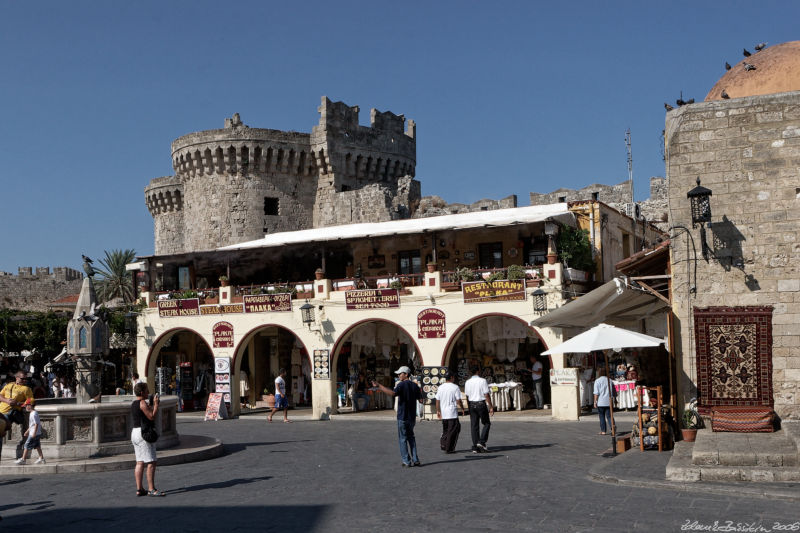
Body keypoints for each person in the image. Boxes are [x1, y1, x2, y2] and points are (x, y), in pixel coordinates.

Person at [372, 366, 423, 467]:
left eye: (400, 373)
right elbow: (421, 400)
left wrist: (379, 386)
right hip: (411, 417)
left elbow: (392, 393)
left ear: (406, 374)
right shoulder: (415, 386)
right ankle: (415, 459)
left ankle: (406, 461)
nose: (399, 375)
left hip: (403, 416)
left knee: (403, 439)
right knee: (411, 438)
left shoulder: (401, 385)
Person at [131, 381, 165, 496]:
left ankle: (139, 489)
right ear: (142, 392)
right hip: (143, 433)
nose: (148, 392)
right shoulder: (142, 403)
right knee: (151, 461)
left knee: (139, 461)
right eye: (146, 390)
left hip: (135, 432)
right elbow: (151, 417)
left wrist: (150, 404)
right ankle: (151, 489)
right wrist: (156, 405)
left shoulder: (134, 403)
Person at [465, 365, 494, 453]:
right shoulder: (482, 380)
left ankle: (475, 446)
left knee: (474, 425)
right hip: (481, 404)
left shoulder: (468, 382)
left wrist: (468, 406)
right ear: (478, 371)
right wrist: (491, 406)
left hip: (472, 404)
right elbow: (486, 394)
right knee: (486, 423)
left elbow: (467, 395)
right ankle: (481, 441)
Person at [435, 370, 464, 453]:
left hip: (444, 413)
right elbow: (458, 400)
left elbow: (437, 400)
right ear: (451, 377)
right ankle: (448, 448)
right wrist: (462, 408)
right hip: (452, 413)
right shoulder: (455, 387)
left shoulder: (441, 387)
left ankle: (444, 444)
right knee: (454, 430)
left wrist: (438, 411)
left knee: (446, 430)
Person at [15, 399, 45, 465]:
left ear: (30, 405)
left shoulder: (34, 414)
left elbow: (36, 424)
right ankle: (41, 458)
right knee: (37, 446)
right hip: (35, 433)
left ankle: (23, 459)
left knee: (26, 445)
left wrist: (33, 433)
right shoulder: (33, 413)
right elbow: (32, 425)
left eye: (26, 406)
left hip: (34, 434)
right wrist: (27, 431)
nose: (25, 407)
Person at [593, 367, 613, 435]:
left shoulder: (597, 381)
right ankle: (612, 427)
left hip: (600, 402)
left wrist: (595, 402)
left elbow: (596, 393)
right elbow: (613, 391)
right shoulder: (610, 380)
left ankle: (603, 431)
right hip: (608, 401)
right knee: (609, 416)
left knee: (601, 417)